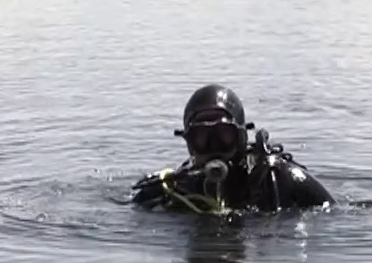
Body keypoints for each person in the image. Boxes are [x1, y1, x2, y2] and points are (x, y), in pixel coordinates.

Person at [131, 84, 336, 214]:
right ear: (189, 143)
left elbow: (334, 213)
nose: (214, 147)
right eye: (201, 138)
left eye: (224, 135)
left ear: (241, 136)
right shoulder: (178, 189)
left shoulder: (278, 179)